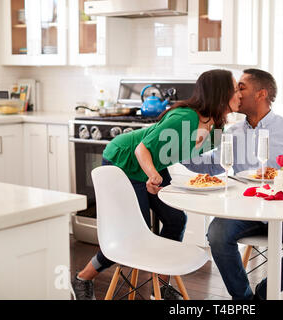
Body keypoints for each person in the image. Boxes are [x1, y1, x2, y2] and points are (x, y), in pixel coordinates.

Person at [71, 69, 242, 300]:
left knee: (176, 219)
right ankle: (83, 277)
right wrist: (152, 175)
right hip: (127, 158)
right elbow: (142, 148)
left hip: (154, 164)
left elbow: (194, 158)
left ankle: (160, 286)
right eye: (235, 89)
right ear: (221, 93)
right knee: (130, 234)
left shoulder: (217, 125)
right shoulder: (186, 117)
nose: (239, 94)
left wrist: (226, 175)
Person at [183, 68, 283, 300]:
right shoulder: (231, 131)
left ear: (261, 94)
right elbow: (213, 164)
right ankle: (243, 300)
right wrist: (180, 153)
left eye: (241, 87)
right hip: (243, 209)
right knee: (217, 234)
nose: (236, 93)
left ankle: (261, 296)